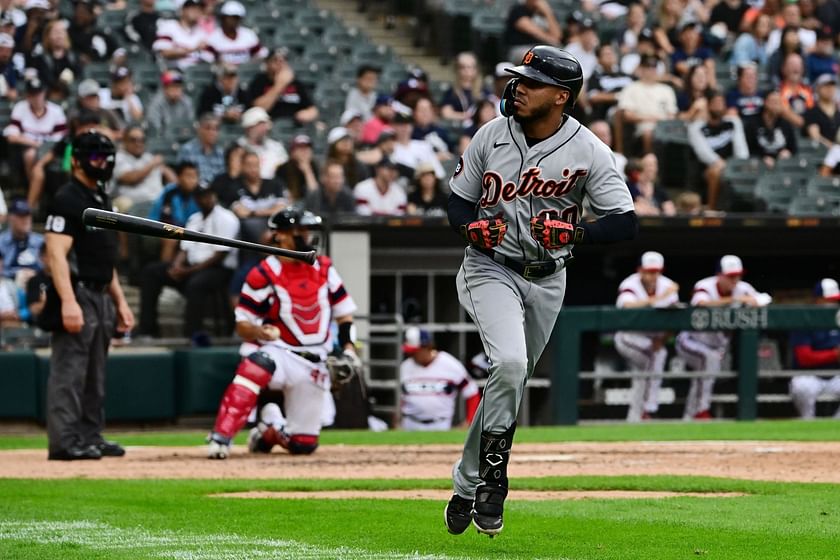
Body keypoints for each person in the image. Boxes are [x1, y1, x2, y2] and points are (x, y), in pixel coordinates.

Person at [444, 46, 637, 537]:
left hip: (550, 277)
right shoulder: (492, 133)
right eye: (519, 78)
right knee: (508, 365)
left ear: (561, 96)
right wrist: (471, 231)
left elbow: (624, 222)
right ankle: (492, 481)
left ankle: (465, 484)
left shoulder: (589, 148)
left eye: (531, 82)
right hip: (490, 267)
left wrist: (576, 234)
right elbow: (458, 204)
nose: (519, 86)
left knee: (510, 381)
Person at [206, 208, 360, 459]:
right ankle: (221, 437)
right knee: (257, 364)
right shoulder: (263, 273)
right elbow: (242, 324)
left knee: (303, 445)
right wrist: (261, 332)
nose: (307, 236)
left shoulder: (324, 268)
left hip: (315, 360)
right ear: (281, 236)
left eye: (307, 231)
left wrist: (348, 349)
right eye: (300, 231)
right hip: (280, 352)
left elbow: (345, 315)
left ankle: (270, 429)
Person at [43, 131, 134, 460]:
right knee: (71, 371)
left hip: (101, 292)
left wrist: (121, 301)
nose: (103, 163)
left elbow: (105, 259)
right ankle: (65, 441)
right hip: (78, 292)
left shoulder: (100, 198)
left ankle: (90, 435)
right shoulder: (67, 198)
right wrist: (68, 301)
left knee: (95, 372)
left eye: (107, 157)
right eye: (96, 157)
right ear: (78, 161)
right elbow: (56, 254)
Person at [675, 255, 771, 420]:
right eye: (730, 276)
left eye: (737, 275)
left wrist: (754, 300)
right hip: (690, 341)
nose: (735, 279)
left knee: (705, 372)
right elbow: (700, 303)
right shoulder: (705, 285)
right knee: (709, 361)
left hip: (717, 345)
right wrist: (734, 299)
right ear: (719, 275)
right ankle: (700, 411)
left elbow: (764, 299)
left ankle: (690, 415)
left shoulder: (743, 287)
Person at [138, 183, 239, 338]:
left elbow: (219, 256)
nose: (206, 199)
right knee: (151, 272)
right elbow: (185, 249)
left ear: (214, 195)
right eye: (202, 196)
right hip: (191, 268)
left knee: (195, 284)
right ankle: (147, 330)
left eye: (208, 194)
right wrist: (176, 267)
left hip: (218, 270)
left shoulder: (226, 218)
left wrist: (186, 272)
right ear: (196, 199)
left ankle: (192, 335)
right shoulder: (195, 219)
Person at [614, 251, 680, 422]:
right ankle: (648, 408)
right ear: (640, 270)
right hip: (629, 337)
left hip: (654, 338)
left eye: (656, 271)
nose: (653, 275)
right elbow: (627, 305)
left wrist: (663, 339)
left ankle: (637, 416)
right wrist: (659, 299)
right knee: (655, 356)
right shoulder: (630, 283)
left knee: (644, 371)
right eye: (649, 271)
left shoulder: (667, 285)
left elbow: (675, 319)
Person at [398, 327, 481, 431]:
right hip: (410, 424)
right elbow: (397, 398)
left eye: (416, 351)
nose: (412, 355)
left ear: (427, 347)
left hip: (440, 425)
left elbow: (472, 392)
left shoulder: (449, 364)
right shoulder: (405, 367)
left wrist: (469, 422)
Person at [687, 90, 750, 210]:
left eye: (721, 103)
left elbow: (741, 149)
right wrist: (722, 165)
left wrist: (739, 164)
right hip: (706, 168)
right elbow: (703, 153)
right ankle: (712, 208)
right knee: (715, 171)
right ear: (708, 105)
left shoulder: (733, 122)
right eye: (715, 103)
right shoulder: (696, 127)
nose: (718, 107)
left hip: (732, 165)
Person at [789, 278, 840, 419]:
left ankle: (836, 425)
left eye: (835, 300)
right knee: (802, 387)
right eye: (829, 300)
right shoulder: (806, 319)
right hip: (809, 376)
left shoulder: (838, 318)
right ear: (818, 300)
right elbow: (804, 357)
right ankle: (808, 422)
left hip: (836, 376)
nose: (834, 304)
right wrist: (834, 354)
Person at [3, 77, 67, 181]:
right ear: (27, 96)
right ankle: (32, 189)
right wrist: (35, 144)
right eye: (33, 94)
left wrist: (45, 147)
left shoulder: (56, 110)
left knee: (38, 159)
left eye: (39, 93)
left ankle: (36, 191)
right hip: (27, 147)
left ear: (44, 93)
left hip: (51, 148)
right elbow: (11, 136)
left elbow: (61, 138)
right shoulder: (20, 107)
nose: (37, 97)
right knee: (30, 154)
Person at [616, 54, 678, 154]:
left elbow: (672, 114)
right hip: (643, 126)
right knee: (649, 133)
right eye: (647, 66)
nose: (651, 70)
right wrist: (650, 118)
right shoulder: (631, 88)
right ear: (641, 69)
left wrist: (663, 121)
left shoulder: (667, 89)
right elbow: (626, 114)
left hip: (665, 126)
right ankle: (650, 163)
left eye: (653, 67)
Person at [244, 47, 318, 126]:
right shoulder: (259, 81)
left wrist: (306, 114)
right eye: (275, 60)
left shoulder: (295, 83)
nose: (280, 64)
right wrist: (280, 85)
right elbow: (258, 109)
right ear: (267, 63)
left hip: (294, 125)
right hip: (269, 125)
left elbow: (312, 109)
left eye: (283, 60)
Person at [112, 124, 173, 213]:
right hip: (132, 205)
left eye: (141, 140)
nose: (138, 143)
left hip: (156, 203)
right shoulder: (119, 157)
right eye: (133, 140)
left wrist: (165, 170)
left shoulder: (148, 157)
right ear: (125, 141)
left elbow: (174, 182)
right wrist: (152, 164)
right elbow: (131, 178)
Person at [27, 19, 80, 102]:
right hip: (48, 97)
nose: (59, 36)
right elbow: (44, 79)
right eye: (55, 32)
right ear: (48, 36)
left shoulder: (73, 56)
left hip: (70, 97)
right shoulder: (40, 58)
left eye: (62, 32)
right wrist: (59, 85)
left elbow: (78, 75)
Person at [745, 90, 798, 168]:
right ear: (765, 102)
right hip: (758, 165)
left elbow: (793, 148)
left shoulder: (785, 123)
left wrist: (787, 152)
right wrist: (762, 158)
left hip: (782, 164)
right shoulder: (752, 123)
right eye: (773, 101)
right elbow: (748, 148)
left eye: (779, 102)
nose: (776, 105)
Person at [152, 0, 211, 70]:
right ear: (181, 10)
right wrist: (193, 49)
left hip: (198, 72)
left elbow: (210, 58)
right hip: (174, 71)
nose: (196, 10)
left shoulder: (201, 32)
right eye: (191, 7)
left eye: (198, 7)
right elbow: (165, 53)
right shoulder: (168, 26)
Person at [205, 0, 266, 65]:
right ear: (223, 18)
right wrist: (221, 64)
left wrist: (249, 64)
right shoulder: (213, 37)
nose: (232, 20)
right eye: (229, 17)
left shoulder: (248, 34)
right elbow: (207, 59)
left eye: (236, 18)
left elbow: (261, 54)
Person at [0, 199, 43, 286]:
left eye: (28, 215)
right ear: (11, 218)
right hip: (8, 286)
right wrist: (16, 274)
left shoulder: (41, 241)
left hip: (38, 285)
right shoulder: (1, 241)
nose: (26, 220)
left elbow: (49, 268)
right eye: (21, 216)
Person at [237, 106, 288, 179]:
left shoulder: (276, 147)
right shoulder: (239, 147)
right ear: (249, 127)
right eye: (260, 124)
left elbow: (285, 169)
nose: (265, 128)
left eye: (265, 124)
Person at [177, 113, 225, 185]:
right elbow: (182, 178)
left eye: (216, 129)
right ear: (199, 129)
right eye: (208, 128)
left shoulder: (221, 153)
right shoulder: (187, 150)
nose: (212, 132)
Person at [440, 52, 486, 123]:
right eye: (463, 67)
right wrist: (466, 116)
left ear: (476, 69)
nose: (466, 70)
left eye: (470, 67)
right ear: (457, 70)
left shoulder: (484, 90)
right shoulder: (452, 92)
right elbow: (446, 113)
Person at [804, 73, 840, 148]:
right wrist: (833, 147)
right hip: (821, 153)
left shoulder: (838, 110)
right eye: (825, 85)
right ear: (817, 88)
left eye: (832, 85)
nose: (829, 88)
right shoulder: (812, 112)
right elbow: (815, 135)